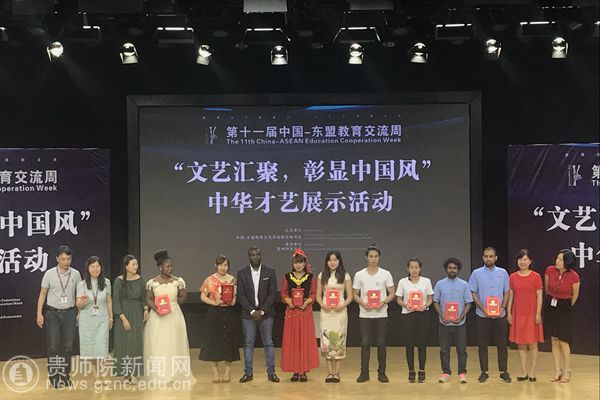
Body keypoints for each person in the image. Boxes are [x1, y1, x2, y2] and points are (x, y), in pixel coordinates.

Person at [144, 249, 194, 384]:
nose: (170, 269)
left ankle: (176, 373)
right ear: (160, 267)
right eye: (167, 266)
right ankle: (160, 373)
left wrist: (174, 304)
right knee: (160, 344)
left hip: (174, 316)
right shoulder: (152, 283)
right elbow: (148, 299)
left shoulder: (178, 281)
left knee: (175, 343)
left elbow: (183, 295)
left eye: (171, 266)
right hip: (158, 317)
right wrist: (157, 308)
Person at [36, 245, 82, 388]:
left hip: (70, 313)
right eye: (63, 259)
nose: (66, 262)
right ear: (57, 259)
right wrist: (39, 314)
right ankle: (54, 377)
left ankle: (65, 375)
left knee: (68, 347)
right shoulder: (49, 274)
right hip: (52, 313)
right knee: (54, 346)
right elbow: (43, 294)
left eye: (69, 259)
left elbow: (79, 295)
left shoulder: (76, 274)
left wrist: (79, 312)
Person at [236, 246, 280, 383]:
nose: (255, 257)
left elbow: (273, 293)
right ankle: (248, 373)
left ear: (261, 255)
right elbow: (241, 295)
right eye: (252, 255)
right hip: (248, 314)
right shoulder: (242, 273)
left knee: (269, 343)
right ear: (248, 256)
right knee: (248, 344)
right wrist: (252, 311)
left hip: (266, 314)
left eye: (257, 254)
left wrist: (262, 311)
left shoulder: (270, 271)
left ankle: (271, 373)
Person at [352, 244, 395, 383]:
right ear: (366, 257)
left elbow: (392, 292)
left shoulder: (385, 274)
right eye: (371, 256)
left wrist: (383, 302)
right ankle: (364, 373)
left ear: (379, 258)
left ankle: (382, 373)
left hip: (381, 314)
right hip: (365, 314)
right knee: (365, 343)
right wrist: (362, 303)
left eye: (376, 256)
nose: (373, 259)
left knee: (381, 343)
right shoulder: (359, 274)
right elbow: (355, 294)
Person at [468, 246, 512, 383]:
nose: (488, 259)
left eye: (491, 256)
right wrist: (483, 309)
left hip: (500, 315)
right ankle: (484, 372)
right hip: (483, 315)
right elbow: (473, 293)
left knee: (502, 344)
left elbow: (507, 292)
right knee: (482, 344)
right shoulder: (476, 273)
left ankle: (503, 371)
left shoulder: (503, 273)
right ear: (483, 258)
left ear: (496, 258)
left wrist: (502, 308)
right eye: (486, 256)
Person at [199, 255, 240, 383]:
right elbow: (203, 296)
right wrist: (213, 302)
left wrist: (233, 300)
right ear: (216, 265)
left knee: (229, 341)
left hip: (229, 313)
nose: (223, 267)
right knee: (214, 342)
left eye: (225, 265)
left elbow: (235, 295)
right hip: (214, 312)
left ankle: (228, 371)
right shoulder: (209, 279)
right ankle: (215, 372)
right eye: (221, 265)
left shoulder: (232, 279)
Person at [280, 249, 319, 382]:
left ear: (305, 263)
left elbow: (313, 293)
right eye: (296, 262)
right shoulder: (287, 277)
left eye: (300, 262)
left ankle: (303, 371)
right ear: (292, 263)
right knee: (293, 341)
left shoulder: (311, 277)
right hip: (292, 313)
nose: (298, 265)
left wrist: (307, 302)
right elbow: (283, 292)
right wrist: (289, 301)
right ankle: (295, 371)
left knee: (304, 341)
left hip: (305, 313)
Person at [433, 257, 473, 384]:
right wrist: (441, 315)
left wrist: (462, 316)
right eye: (450, 268)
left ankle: (462, 373)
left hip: (459, 324)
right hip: (444, 323)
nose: (452, 270)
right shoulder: (439, 284)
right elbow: (435, 301)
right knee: (444, 350)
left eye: (454, 268)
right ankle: (446, 373)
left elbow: (468, 302)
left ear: (458, 270)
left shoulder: (464, 285)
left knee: (461, 350)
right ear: (446, 269)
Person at [507, 249, 544, 382]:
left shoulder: (536, 276)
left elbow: (539, 295)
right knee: (521, 344)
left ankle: (532, 372)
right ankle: (524, 372)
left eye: (525, 259)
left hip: (532, 313)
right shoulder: (513, 277)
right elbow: (511, 295)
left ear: (530, 261)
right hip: (518, 313)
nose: (522, 262)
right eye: (520, 259)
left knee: (533, 343)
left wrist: (538, 313)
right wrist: (509, 312)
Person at [316, 250, 353, 383]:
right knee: (326, 341)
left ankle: (336, 373)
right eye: (330, 260)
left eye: (335, 260)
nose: (332, 262)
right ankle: (329, 372)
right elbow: (318, 296)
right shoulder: (322, 275)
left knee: (338, 342)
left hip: (340, 313)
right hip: (326, 313)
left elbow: (350, 296)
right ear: (327, 262)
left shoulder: (346, 276)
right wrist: (323, 305)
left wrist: (342, 305)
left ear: (339, 261)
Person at [544, 249, 580, 383]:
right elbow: (547, 288)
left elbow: (575, 295)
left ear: (567, 262)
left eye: (561, 259)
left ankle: (567, 370)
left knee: (563, 340)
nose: (557, 261)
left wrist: (565, 305)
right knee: (553, 339)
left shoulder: (574, 276)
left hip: (564, 306)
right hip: (551, 304)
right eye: (557, 258)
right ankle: (557, 370)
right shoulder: (549, 270)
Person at [76, 256, 113, 382]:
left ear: (101, 268)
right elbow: (78, 304)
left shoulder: (106, 282)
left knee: (102, 346)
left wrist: (111, 317)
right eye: (92, 266)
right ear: (88, 268)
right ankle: (95, 376)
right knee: (90, 347)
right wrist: (82, 301)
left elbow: (108, 300)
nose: (95, 269)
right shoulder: (82, 284)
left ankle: (104, 374)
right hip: (86, 320)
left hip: (102, 318)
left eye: (97, 266)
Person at [396, 258, 434, 383]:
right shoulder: (402, 282)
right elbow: (398, 299)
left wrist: (425, 305)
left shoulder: (426, 281)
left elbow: (430, 298)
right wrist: (405, 305)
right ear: (408, 268)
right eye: (411, 267)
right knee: (409, 344)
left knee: (422, 344)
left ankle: (422, 370)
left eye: (416, 267)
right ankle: (411, 371)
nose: (414, 270)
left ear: (420, 268)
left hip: (423, 315)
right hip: (408, 315)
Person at [112, 255, 148, 384]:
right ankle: (125, 374)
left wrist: (145, 309)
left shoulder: (141, 280)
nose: (135, 267)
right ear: (126, 266)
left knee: (136, 344)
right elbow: (116, 301)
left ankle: (135, 373)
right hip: (123, 314)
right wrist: (123, 319)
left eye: (136, 264)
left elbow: (144, 297)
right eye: (133, 264)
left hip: (137, 313)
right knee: (123, 344)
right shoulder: (119, 281)